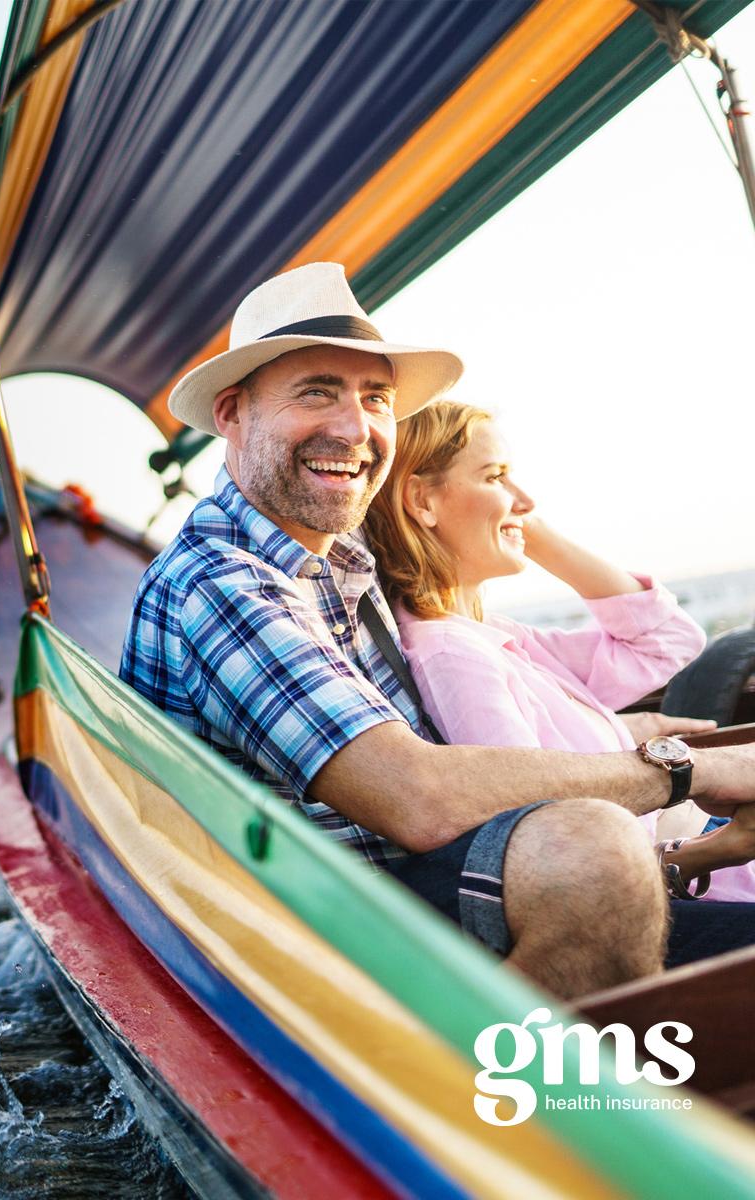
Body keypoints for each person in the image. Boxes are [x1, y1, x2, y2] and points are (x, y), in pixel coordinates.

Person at [120, 261, 755, 999]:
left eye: (376, 399)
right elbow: (415, 796)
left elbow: (636, 645)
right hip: (310, 937)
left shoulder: (347, 560)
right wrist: (687, 770)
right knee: (591, 849)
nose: (354, 427)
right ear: (232, 414)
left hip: (413, 887)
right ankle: (499, 1103)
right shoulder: (221, 583)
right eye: (316, 392)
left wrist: (634, 725)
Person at [362, 399, 755, 903]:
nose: (524, 498)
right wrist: (720, 849)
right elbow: (554, 836)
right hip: (679, 882)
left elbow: (667, 641)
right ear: (423, 501)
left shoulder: (499, 639)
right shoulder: (453, 656)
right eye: (495, 476)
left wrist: (525, 527)